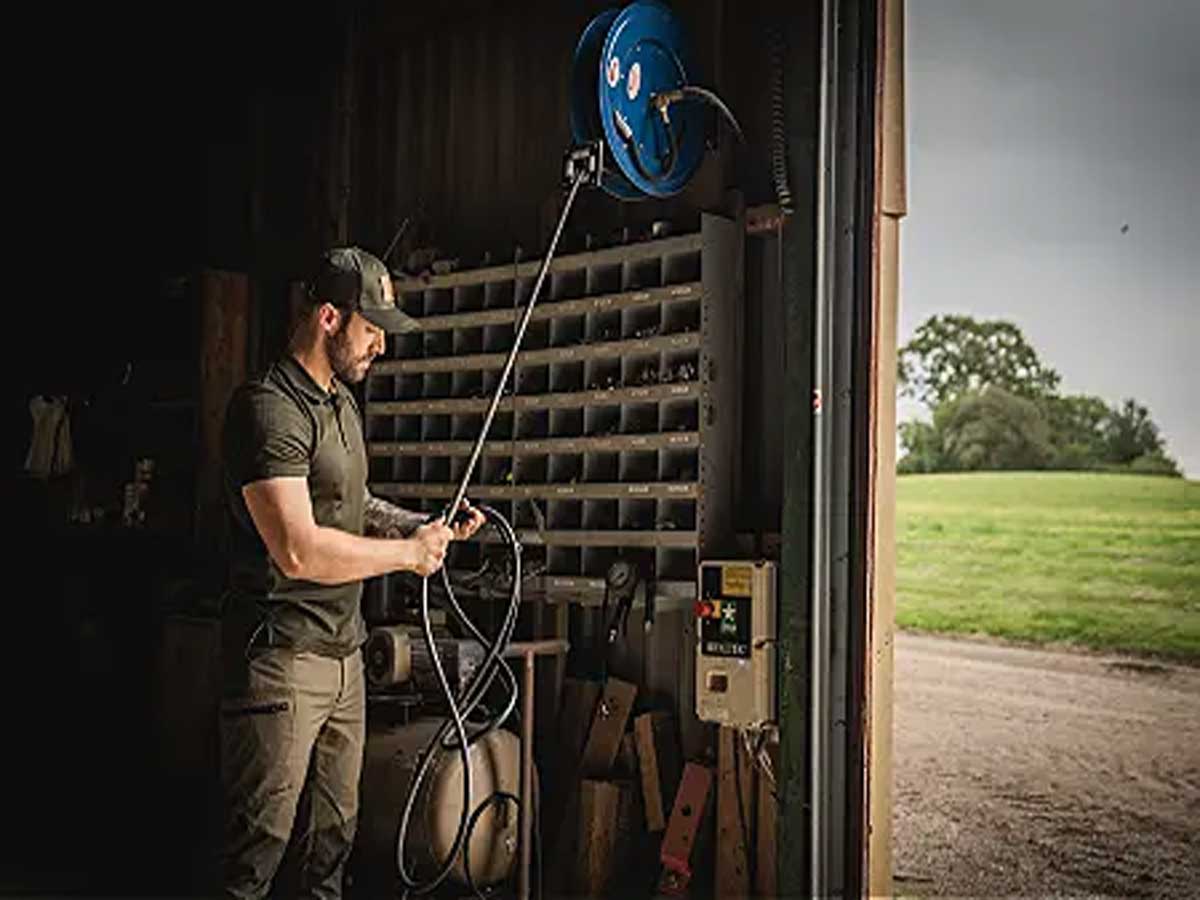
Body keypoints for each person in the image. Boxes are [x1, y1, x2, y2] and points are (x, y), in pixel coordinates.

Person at [217, 246, 485, 899]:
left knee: (332, 847)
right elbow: (300, 550)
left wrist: (419, 525)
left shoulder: (341, 404)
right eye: (372, 332)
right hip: (283, 658)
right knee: (258, 850)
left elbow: (349, 502)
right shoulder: (270, 408)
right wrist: (408, 557)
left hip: (344, 655)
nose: (381, 349)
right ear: (330, 318)